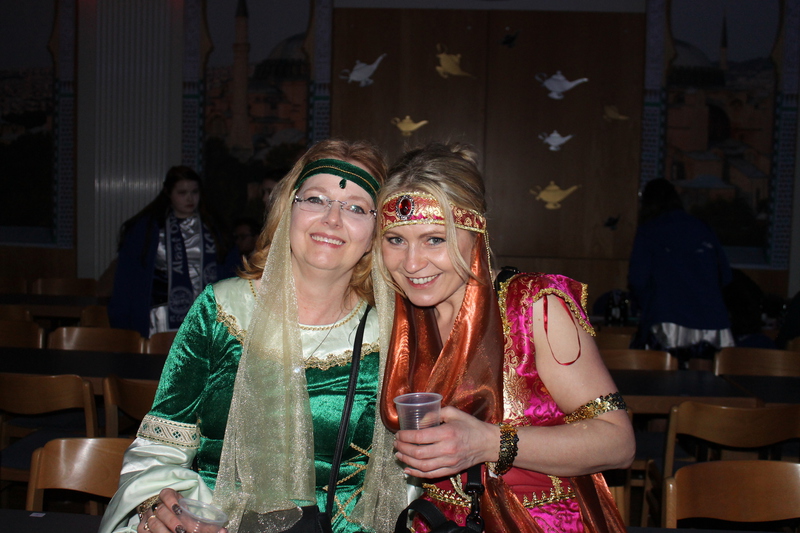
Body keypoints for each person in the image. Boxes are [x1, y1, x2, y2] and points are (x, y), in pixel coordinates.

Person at [99, 140, 407, 533]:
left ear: (377, 232)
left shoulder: (393, 334)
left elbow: (406, 473)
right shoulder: (221, 311)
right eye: (316, 199)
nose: (332, 218)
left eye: (356, 208)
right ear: (288, 210)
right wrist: (159, 508)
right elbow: (161, 446)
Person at [376, 143, 634, 532]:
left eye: (435, 239)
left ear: (476, 232)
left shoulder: (532, 306)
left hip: (540, 523)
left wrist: (489, 443)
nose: (411, 263)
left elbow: (619, 444)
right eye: (396, 240)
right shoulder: (398, 317)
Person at [109, 166, 239, 338]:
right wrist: (122, 319)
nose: (190, 198)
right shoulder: (147, 230)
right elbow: (128, 278)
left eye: (194, 192)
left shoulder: (215, 229)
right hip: (161, 317)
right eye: (182, 192)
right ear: (168, 193)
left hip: (207, 315)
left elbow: (232, 273)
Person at [628, 178, 734, 366]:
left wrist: (646, 304)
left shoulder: (650, 231)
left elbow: (638, 279)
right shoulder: (702, 228)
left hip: (667, 318)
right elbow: (725, 276)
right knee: (708, 381)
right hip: (712, 320)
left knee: (663, 379)